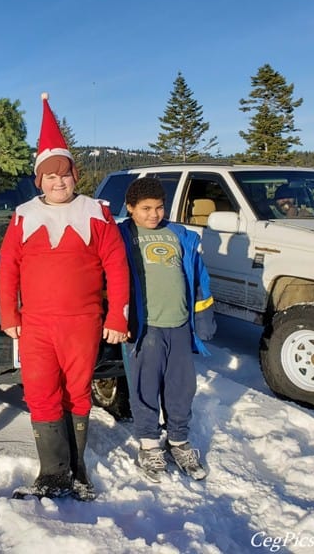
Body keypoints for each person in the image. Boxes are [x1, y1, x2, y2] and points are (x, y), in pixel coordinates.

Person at [0, 93, 130, 501]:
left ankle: (77, 470)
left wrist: (117, 318)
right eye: (50, 176)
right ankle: (52, 473)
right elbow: (8, 267)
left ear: (76, 176)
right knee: (40, 392)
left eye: (65, 175)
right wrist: (8, 315)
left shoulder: (97, 213)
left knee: (77, 391)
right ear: (40, 179)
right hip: (36, 322)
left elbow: (117, 266)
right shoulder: (23, 215)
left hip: (82, 322)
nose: (59, 182)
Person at [117, 176, 216, 482]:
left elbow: (199, 279)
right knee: (145, 386)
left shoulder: (180, 235)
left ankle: (178, 440)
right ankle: (148, 444)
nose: (153, 214)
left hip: (179, 325)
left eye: (159, 207)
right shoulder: (122, 236)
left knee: (181, 387)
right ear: (130, 208)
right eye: (145, 208)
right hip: (145, 328)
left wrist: (203, 318)